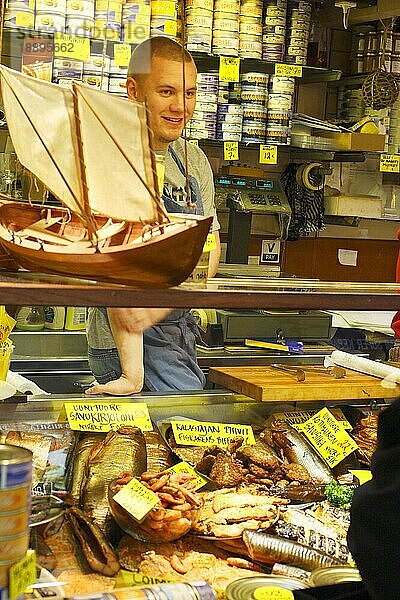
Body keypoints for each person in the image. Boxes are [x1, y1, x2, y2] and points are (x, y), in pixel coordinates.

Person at [85, 36, 221, 396]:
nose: (181, 106)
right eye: (166, 91)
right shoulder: (109, 158)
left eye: (190, 93)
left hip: (177, 328)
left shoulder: (194, 161)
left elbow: (209, 248)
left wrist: (164, 304)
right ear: (134, 90)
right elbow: (114, 263)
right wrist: (133, 375)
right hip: (124, 337)